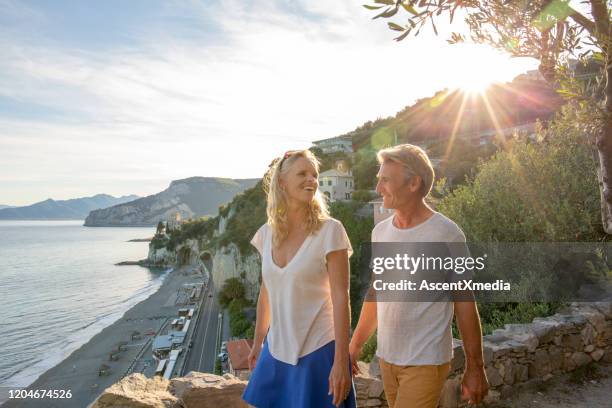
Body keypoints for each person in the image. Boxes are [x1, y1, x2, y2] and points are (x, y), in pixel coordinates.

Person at [349, 144, 489, 408]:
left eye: (385, 180)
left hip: (426, 359)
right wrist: (355, 345)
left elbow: (465, 304)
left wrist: (476, 367)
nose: (379, 189)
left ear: (413, 183)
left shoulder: (447, 235)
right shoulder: (380, 233)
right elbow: (376, 292)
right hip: (387, 358)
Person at [242, 149, 356, 408]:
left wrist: (341, 362)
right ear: (281, 182)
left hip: (319, 349)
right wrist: (258, 343)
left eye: (314, 175)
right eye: (302, 173)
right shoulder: (266, 234)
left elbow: (341, 297)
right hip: (275, 349)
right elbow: (266, 292)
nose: (312, 180)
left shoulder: (331, 231)